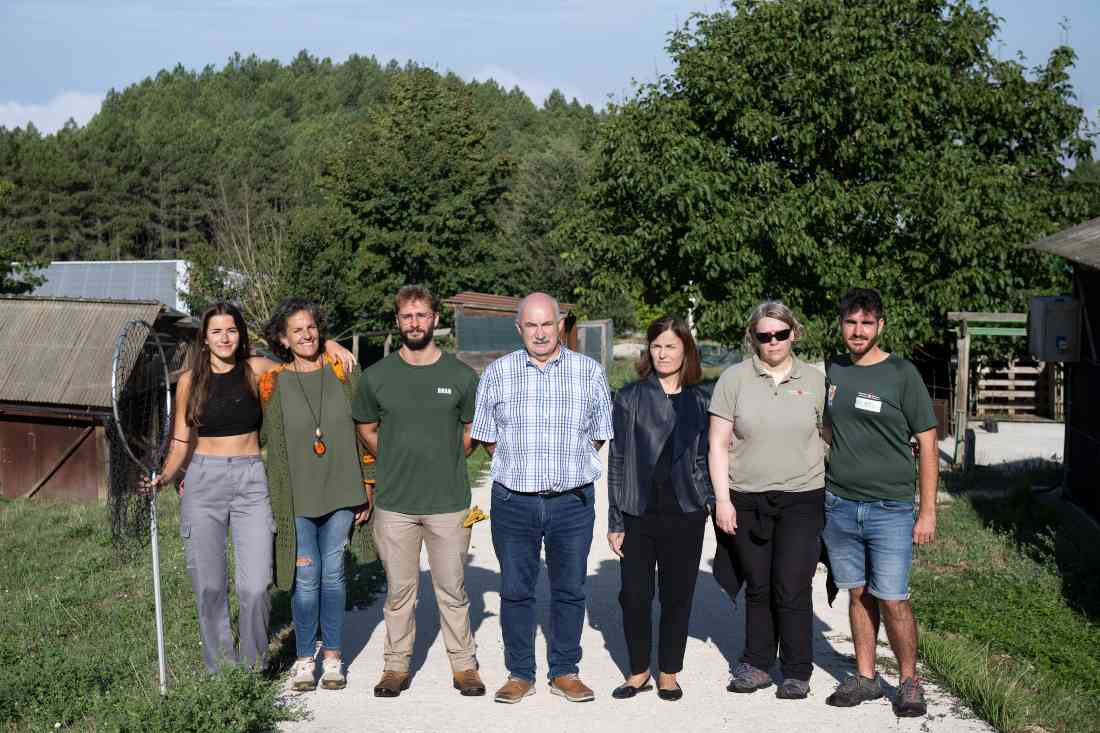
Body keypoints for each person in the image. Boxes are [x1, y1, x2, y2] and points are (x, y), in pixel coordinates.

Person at [148, 301, 355, 673]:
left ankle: (252, 668)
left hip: (251, 479)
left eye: (231, 330)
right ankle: (221, 670)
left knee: (256, 586)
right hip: (203, 480)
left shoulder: (258, 370)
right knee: (210, 587)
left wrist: (329, 347)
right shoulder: (189, 382)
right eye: (216, 332)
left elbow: (302, 363)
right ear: (205, 339)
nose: (225, 337)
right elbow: (181, 440)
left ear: (240, 334)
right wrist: (165, 476)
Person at [470, 292, 614, 704]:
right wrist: (521, 470)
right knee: (516, 589)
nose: (539, 333)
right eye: (530, 325)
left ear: (559, 326)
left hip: (572, 503)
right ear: (519, 329)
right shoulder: (497, 373)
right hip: (514, 502)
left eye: (546, 324)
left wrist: (568, 467)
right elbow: (487, 437)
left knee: (569, 588)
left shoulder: (588, 372)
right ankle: (520, 673)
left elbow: (600, 434)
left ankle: (565, 671)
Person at [351, 285, 485, 698]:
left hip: (449, 503)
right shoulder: (376, 378)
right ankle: (395, 667)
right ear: (397, 321)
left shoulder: (461, 376)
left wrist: (445, 455)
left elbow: (471, 432)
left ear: (435, 320)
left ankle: (464, 667)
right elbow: (366, 428)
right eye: (407, 316)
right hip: (395, 505)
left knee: (453, 590)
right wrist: (392, 455)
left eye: (422, 315)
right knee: (399, 593)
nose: (414, 323)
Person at [820, 288, 938, 717]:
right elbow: (828, 429)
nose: (858, 331)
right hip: (841, 505)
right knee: (858, 593)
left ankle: (909, 681)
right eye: (851, 322)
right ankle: (867, 677)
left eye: (866, 323)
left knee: (893, 598)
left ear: (880, 326)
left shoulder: (902, 373)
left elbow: (927, 443)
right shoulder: (834, 370)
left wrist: (927, 511)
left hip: (891, 508)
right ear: (841, 325)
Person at [708, 301, 827, 700]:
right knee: (757, 586)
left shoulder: (815, 380)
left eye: (780, 334)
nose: (772, 342)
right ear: (753, 338)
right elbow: (718, 444)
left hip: (802, 498)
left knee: (791, 585)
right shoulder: (733, 379)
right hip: (746, 498)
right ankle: (757, 664)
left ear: (794, 333)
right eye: (764, 335)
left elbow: (831, 437)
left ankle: (796, 671)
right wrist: (722, 501)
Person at [258, 298, 374, 692]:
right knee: (306, 577)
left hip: (343, 491)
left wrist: (369, 485)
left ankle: (335, 657)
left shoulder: (343, 372)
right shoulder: (272, 383)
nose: (306, 335)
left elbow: (367, 429)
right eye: (297, 330)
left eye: (312, 328)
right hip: (296, 499)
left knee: (334, 573)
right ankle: (305, 658)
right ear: (282, 338)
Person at [606, 315, 713, 702]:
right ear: (648, 351)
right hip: (639, 511)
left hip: (685, 513)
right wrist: (615, 518)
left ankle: (669, 671)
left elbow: (708, 457)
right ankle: (638, 671)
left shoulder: (703, 398)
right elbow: (617, 459)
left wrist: (709, 503)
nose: (663, 353)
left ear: (685, 349)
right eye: (656, 346)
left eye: (670, 345)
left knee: (677, 595)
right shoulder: (630, 396)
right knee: (634, 596)